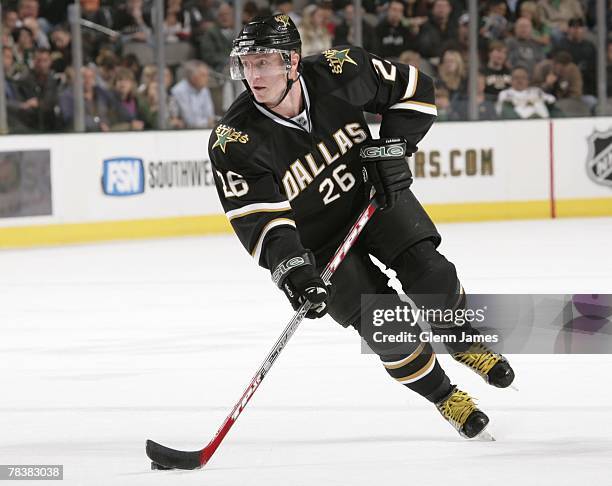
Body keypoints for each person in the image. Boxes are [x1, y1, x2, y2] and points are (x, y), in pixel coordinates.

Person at [208, 14, 515, 440]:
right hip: (320, 244)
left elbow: (415, 90)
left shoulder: (341, 70)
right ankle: (446, 396)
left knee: (433, 275)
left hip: (374, 198)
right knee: (388, 329)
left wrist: (392, 149)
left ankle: (462, 340)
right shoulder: (235, 140)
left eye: (264, 62)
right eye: (247, 63)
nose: (253, 74)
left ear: (292, 61)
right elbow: (260, 219)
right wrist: (296, 273)